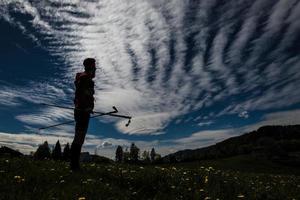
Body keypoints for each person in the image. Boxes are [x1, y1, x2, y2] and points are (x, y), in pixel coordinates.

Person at [70, 58, 96, 170]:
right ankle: (74, 166)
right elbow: (81, 94)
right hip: (82, 111)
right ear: (90, 67)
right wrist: (86, 107)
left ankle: (74, 165)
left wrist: (87, 107)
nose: (95, 69)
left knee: (79, 137)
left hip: (81, 110)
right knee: (79, 138)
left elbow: (80, 95)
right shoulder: (85, 78)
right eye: (94, 66)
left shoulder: (83, 78)